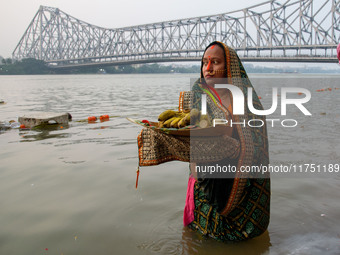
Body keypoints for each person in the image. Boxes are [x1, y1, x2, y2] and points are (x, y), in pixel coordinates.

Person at [136, 41, 270, 242]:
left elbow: (257, 145)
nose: (208, 68)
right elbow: (190, 130)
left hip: (237, 181)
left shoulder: (247, 102)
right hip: (203, 176)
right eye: (204, 62)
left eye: (215, 62)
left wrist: (235, 146)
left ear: (230, 67)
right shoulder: (198, 94)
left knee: (235, 241)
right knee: (199, 234)